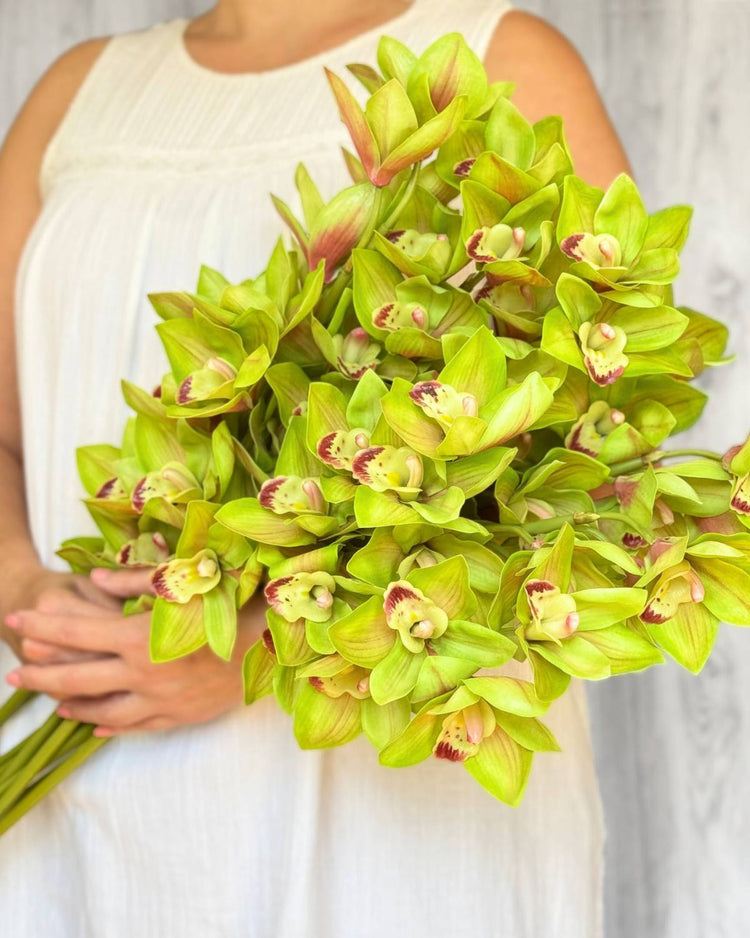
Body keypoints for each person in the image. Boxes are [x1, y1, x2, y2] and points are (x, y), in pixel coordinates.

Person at [0, 1, 632, 935]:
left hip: (390, 805)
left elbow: (597, 462)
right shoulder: (78, 91)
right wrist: (24, 596)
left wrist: (257, 644)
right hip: (88, 779)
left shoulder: (498, 54)